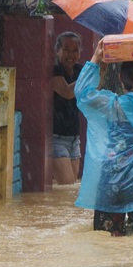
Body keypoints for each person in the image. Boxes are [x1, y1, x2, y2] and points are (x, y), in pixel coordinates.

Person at [74, 39, 133, 236]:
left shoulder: (112, 105)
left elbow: (82, 93)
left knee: (107, 242)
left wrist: (96, 60)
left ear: (120, 78)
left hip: (113, 183)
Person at [52, 31, 84, 185]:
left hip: (74, 139)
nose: (71, 54)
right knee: (67, 186)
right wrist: (87, 77)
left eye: (75, 50)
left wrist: (101, 70)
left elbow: (94, 88)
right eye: (66, 50)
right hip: (56, 139)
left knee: (70, 192)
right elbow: (66, 92)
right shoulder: (54, 70)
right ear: (57, 51)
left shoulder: (80, 71)